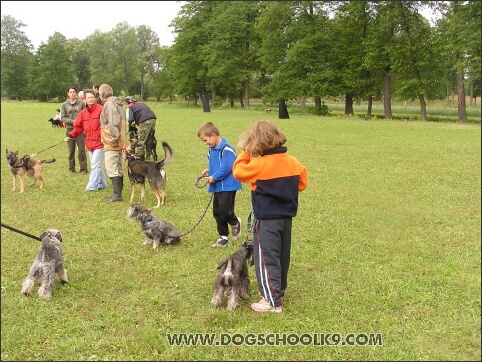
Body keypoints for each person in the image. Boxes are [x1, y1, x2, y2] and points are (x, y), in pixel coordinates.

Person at [232, 119, 308, 313]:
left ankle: (272, 301)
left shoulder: (259, 164)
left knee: (266, 258)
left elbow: (238, 172)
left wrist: (246, 153)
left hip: (266, 220)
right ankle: (277, 289)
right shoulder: (293, 162)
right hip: (286, 219)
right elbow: (302, 183)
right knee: (281, 256)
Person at [197, 122, 242, 247]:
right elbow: (214, 165)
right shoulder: (211, 150)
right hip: (217, 185)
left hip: (228, 186)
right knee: (217, 212)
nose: (205, 143)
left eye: (205, 140)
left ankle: (235, 222)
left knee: (225, 210)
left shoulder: (226, 149)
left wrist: (214, 177)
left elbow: (226, 167)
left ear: (213, 135)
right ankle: (223, 237)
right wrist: (208, 171)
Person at [64, 89, 107, 192]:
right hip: (89, 142)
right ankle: (102, 183)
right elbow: (78, 127)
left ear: (95, 98)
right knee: (95, 164)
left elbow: (107, 125)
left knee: (94, 165)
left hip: (100, 142)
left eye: (92, 97)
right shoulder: (83, 113)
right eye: (88, 98)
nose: (91, 99)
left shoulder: (102, 109)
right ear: (85, 99)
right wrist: (71, 135)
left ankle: (91, 187)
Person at [99, 84, 126, 202]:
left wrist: (114, 139)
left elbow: (113, 122)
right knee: (118, 167)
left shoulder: (109, 104)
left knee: (111, 166)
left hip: (112, 141)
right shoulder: (117, 104)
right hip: (119, 140)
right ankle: (117, 193)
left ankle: (117, 195)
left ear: (103, 94)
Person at [60, 86, 87, 174]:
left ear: (76, 93)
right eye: (70, 92)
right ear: (68, 94)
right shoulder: (64, 104)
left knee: (81, 150)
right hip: (70, 129)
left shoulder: (81, 103)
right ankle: (71, 168)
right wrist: (73, 121)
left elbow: (85, 115)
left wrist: (79, 122)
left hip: (80, 130)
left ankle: (83, 169)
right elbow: (63, 118)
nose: (72, 93)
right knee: (71, 150)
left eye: (74, 92)